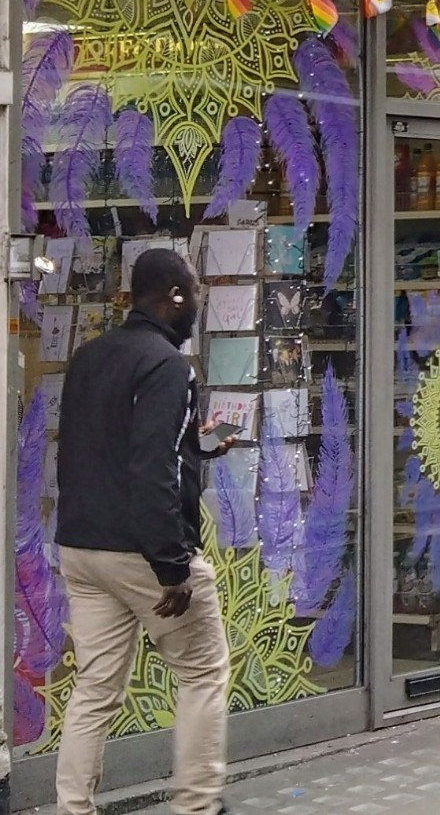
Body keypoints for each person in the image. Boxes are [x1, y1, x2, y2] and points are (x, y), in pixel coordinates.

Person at [56, 249, 234, 815]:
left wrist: (196, 445)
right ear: (175, 295)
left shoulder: (89, 357)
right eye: (197, 292)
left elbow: (108, 448)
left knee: (95, 689)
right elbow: (150, 468)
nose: (199, 303)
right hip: (141, 551)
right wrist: (173, 567)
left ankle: (72, 807)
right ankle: (198, 805)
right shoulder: (167, 366)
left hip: (82, 547)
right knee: (204, 670)